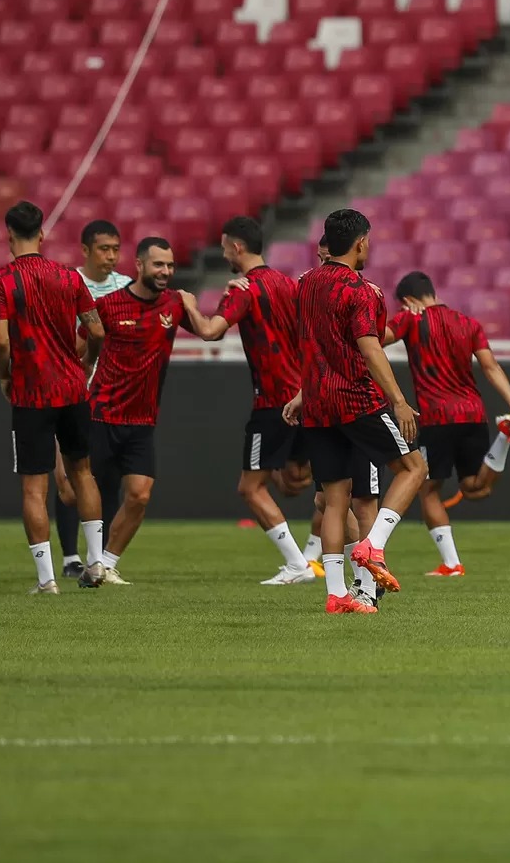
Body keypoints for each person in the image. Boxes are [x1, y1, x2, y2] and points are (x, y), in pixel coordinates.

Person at [284, 209, 429, 615]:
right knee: (413, 469)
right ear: (361, 242)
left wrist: (301, 392)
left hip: (317, 403)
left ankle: (336, 594)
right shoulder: (359, 289)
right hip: (355, 399)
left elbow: (316, 342)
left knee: (335, 500)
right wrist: (398, 400)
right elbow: (369, 346)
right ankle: (374, 546)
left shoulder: (305, 285)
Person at [180, 216, 314, 585]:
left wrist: (187, 304)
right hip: (306, 398)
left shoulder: (245, 288)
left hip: (273, 402)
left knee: (250, 487)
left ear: (236, 247)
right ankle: (333, 554)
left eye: (224, 247)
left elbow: (209, 332)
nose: (224, 253)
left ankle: (298, 565)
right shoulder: (288, 284)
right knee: (294, 481)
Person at [0, 201, 108, 593]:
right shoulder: (68, 277)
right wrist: (87, 361)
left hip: (31, 393)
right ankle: (96, 564)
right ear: (42, 233)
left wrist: (4, 376)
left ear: (8, 235)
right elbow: (99, 331)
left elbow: (1, 341)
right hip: (72, 388)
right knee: (83, 473)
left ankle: (47, 581)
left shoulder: (0, 281)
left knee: (34, 488)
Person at [383, 270, 510, 577]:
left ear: (407, 301)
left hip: (437, 418)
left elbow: (373, 340)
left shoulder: (410, 320)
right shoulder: (469, 323)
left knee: (428, 489)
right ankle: (503, 439)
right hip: (473, 413)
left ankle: (451, 563)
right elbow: (490, 366)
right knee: (475, 488)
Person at [84, 237, 202, 585]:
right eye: (158, 265)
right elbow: (81, 349)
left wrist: (193, 305)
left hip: (142, 420)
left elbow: (210, 331)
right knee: (80, 491)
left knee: (139, 494)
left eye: (169, 265)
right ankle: (82, 560)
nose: (165, 271)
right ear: (138, 265)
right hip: (101, 414)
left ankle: (105, 564)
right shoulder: (109, 305)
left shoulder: (174, 304)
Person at [53, 220, 135, 579]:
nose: (112, 256)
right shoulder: (67, 283)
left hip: (114, 393)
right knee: (69, 481)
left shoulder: (127, 288)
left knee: (106, 476)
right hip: (74, 388)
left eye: (116, 249)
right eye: (104, 249)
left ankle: (98, 557)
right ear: (85, 250)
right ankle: (70, 555)